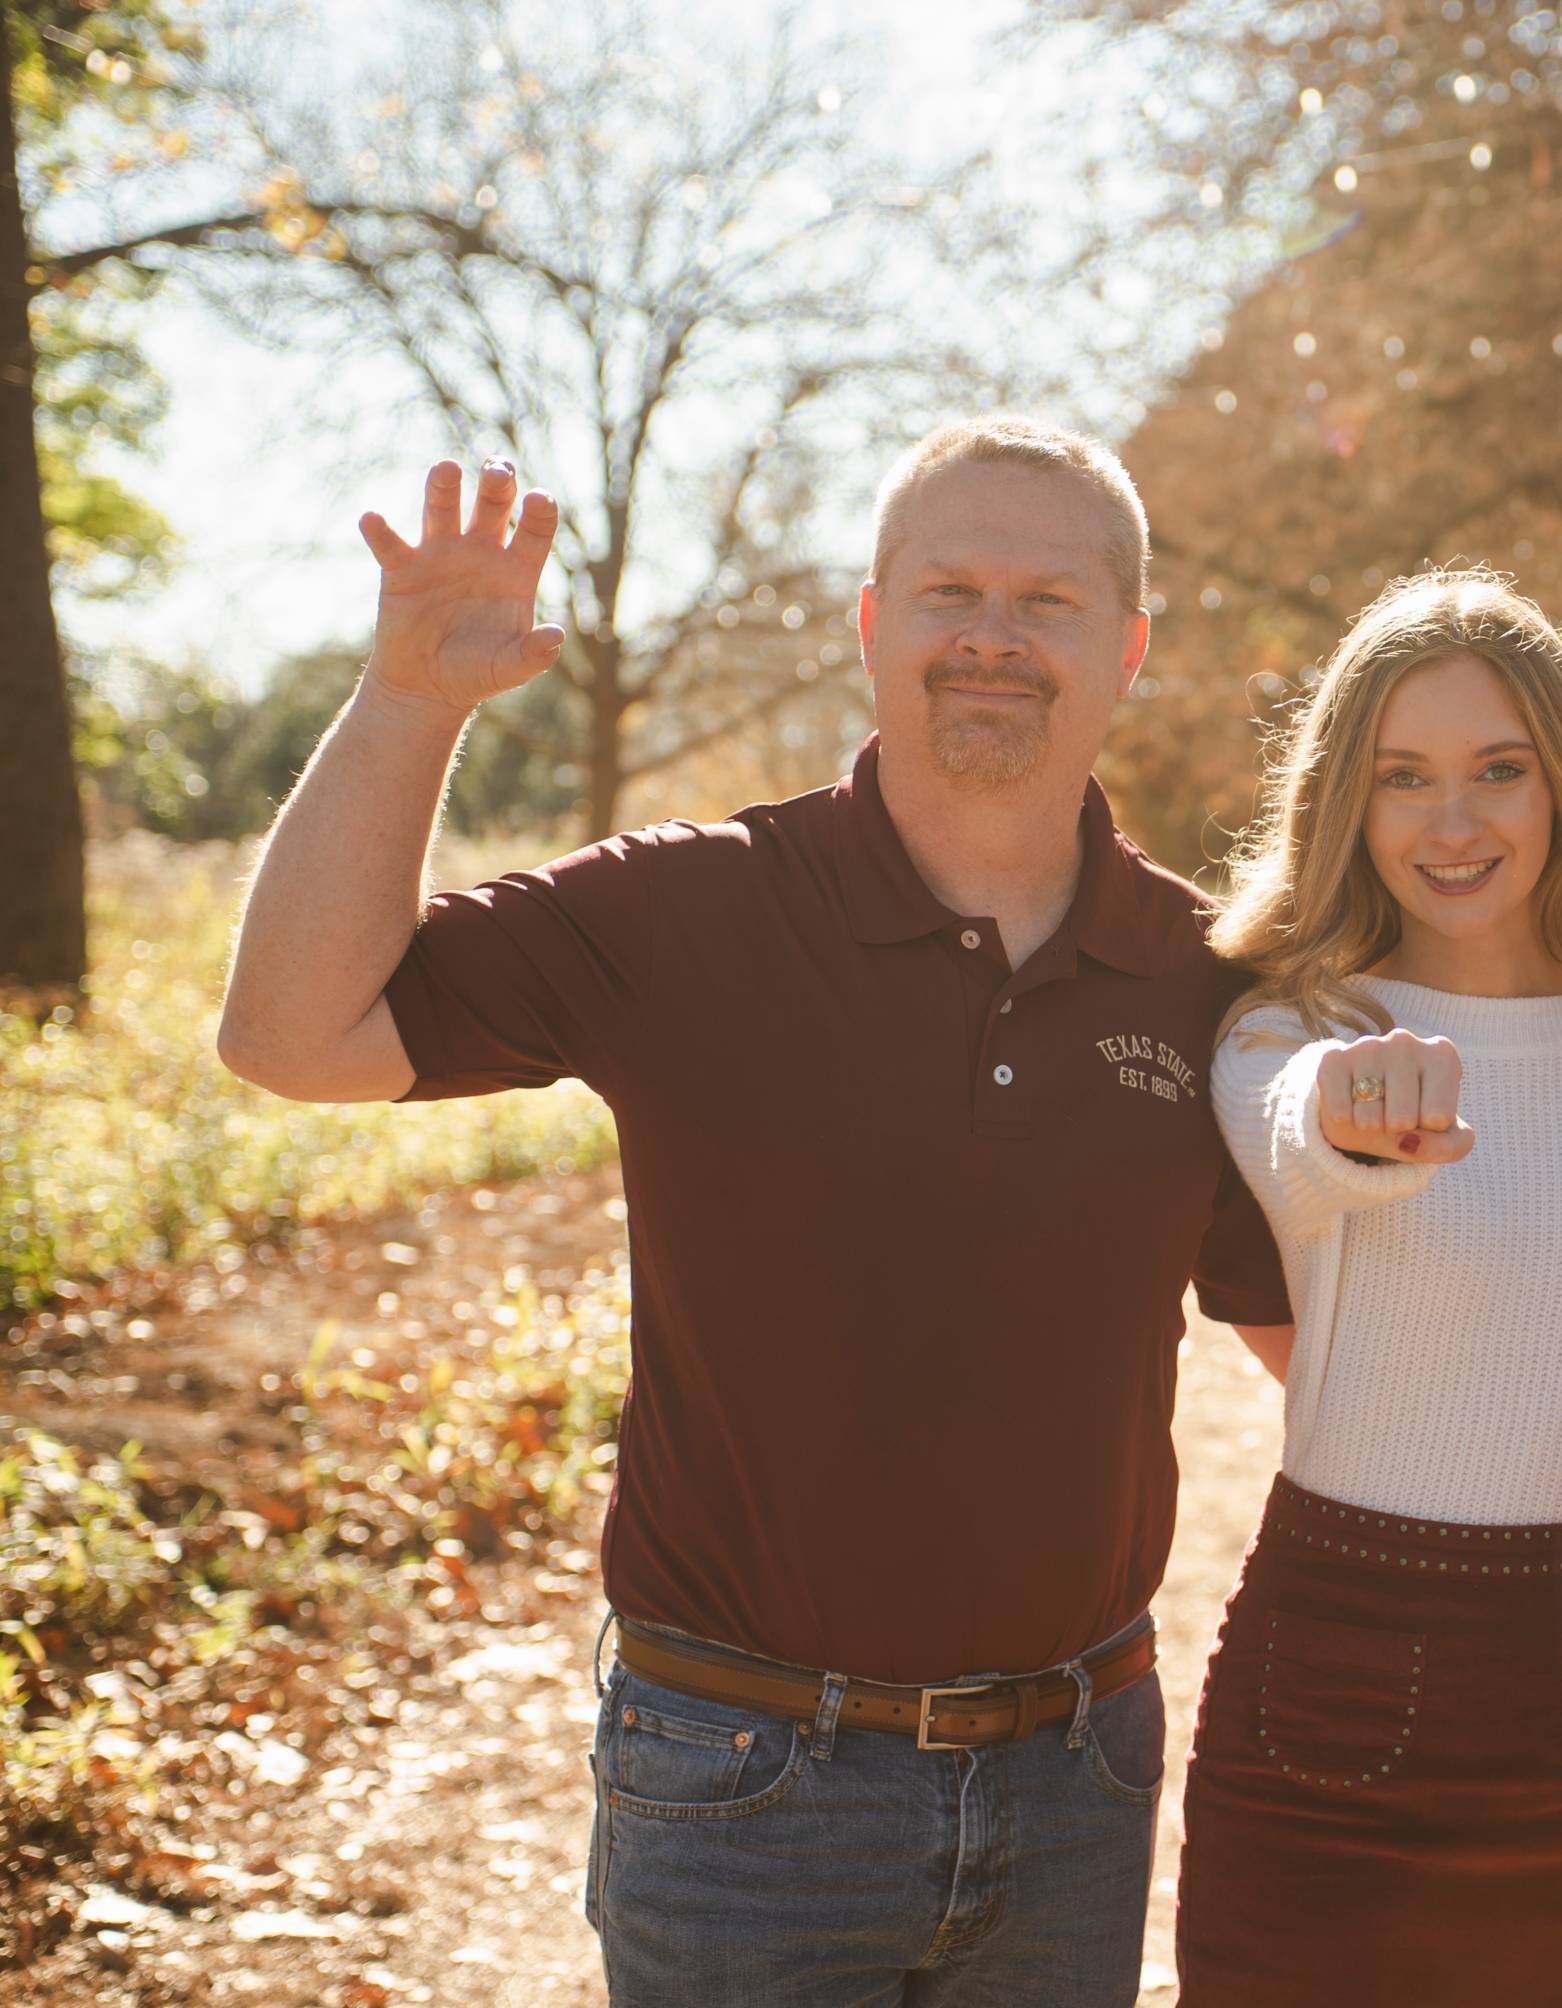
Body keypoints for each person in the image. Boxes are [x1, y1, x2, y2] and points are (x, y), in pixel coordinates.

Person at [215, 423, 1295, 2006]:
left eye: (1049, 599)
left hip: (1078, 1782)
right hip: (742, 1783)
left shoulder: (1213, 978)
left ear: (1126, 649)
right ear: (870, 624)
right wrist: (411, 699)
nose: (992, 634)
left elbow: (1320, 1351)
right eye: (949, 590)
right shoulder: (691, 907)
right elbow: (291, 1036)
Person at [1178, 570, 1562, 2006]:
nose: (1452, 823)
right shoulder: (1288, 1030)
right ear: (1348, 800)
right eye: (1404, 777)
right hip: (1337, 1676)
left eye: (1498, 770)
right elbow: (1297, 1142)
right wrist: (1351, 1116)